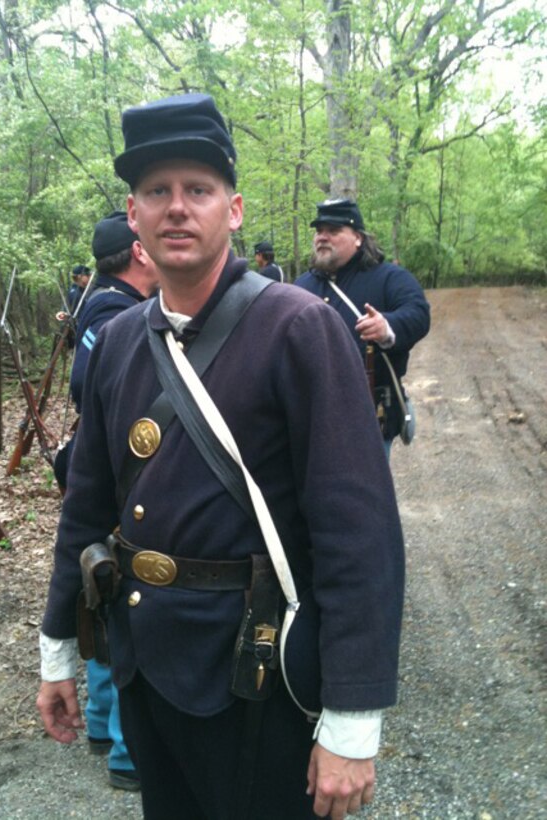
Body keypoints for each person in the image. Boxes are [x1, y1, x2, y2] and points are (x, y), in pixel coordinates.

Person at [37, 94, 405, 820]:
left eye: (197, 190)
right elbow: (86, 508)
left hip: (258, 671)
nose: (177, 207)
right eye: (156, 192)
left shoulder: (299, 329)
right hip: (145, 664)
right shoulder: (115, 342)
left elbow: (357, 532)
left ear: (231, 210)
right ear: (134, 217)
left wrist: (354, 720)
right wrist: (57, 650)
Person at [53, 211, 158, 791]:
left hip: (110, 471)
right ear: (139, 253)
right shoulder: (122, 316)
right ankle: (124, 748)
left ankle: (98, 724)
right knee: (115, 595)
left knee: (99, 588)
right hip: (124, 476)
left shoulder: (98, 306)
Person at [295, 199, 430, 457]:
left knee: (365, 496)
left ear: (357, 238)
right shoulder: (301, 285)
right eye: (319, 231)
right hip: (311, 417)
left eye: (333, 231)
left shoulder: (390, 277)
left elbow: (418, 314)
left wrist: (387, 327)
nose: (322, 237)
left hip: (370, 416)